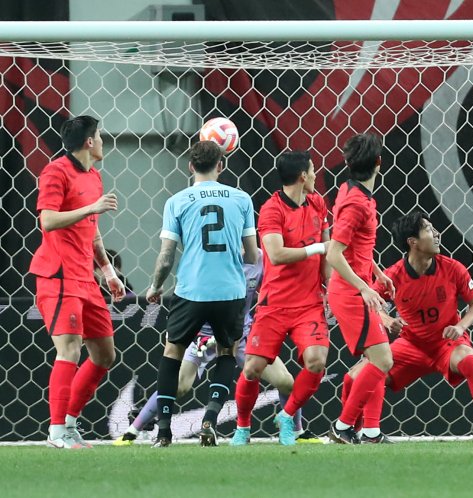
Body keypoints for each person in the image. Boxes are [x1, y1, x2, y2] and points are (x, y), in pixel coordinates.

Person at [345, 213, 473, 443]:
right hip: (411, 344)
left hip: (447, 343)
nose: (436, 234)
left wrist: (460, 325)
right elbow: (371, 303)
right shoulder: (394, 275)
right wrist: (386, 320)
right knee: (360, 374)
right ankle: (363, 433)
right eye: (428, 230)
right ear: (412, 242)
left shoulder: (452, 268)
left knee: (468, 359)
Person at [113, 251, 309, 445]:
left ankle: (297, 430)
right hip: (201, 337)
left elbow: (270, 290)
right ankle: (133, 430)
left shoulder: (258, 258)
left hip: (239, 336)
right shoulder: (208, 254)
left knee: (285, 381)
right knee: (179, 386)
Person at [146, 140, 259, 447]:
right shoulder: (242, 199)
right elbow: (252, 256)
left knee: (173, 353)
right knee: (226, 352)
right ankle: (210, 418)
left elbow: (167, 256)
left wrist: (156, 287)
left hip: (191, 291)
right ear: (221, 166)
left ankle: (165, 431)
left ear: (190, 166)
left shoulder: (177, 201)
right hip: (230, 292)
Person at [30, 115, 125, 449]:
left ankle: (69, 423)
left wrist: (108, 272)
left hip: (86, 278)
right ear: (89, 142)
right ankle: (56, 432)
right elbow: (48, 220)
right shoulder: (55, 171)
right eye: (99, 136)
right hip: (58, 276)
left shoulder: (94, 176)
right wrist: (91, 208)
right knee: (69, 349)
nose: (102, 142)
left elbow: (93, 231)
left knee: (104, 355)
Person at [232, 150, 331, 446]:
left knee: (316, 361)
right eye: (312, 170)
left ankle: (287, 416)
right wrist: (316, 249)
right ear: (303, 176)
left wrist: (330, 287)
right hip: (274, 303)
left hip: (309, 304)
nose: (315, 175)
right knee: (252, 368)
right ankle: (242, 427)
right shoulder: (272, 209)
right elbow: (275, 254)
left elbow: (328, 251)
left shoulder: (318, 203)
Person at [326, 133, 395, 444]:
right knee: (383, 360)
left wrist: (378, 273)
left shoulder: (350, 191)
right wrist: (364, 288)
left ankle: (370, 431)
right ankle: (342, 426)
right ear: (379, 162)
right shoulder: (357, 203)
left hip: (358, 286)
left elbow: (356, 248)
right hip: (351, 292)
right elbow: (334, 252)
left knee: (373, 362)